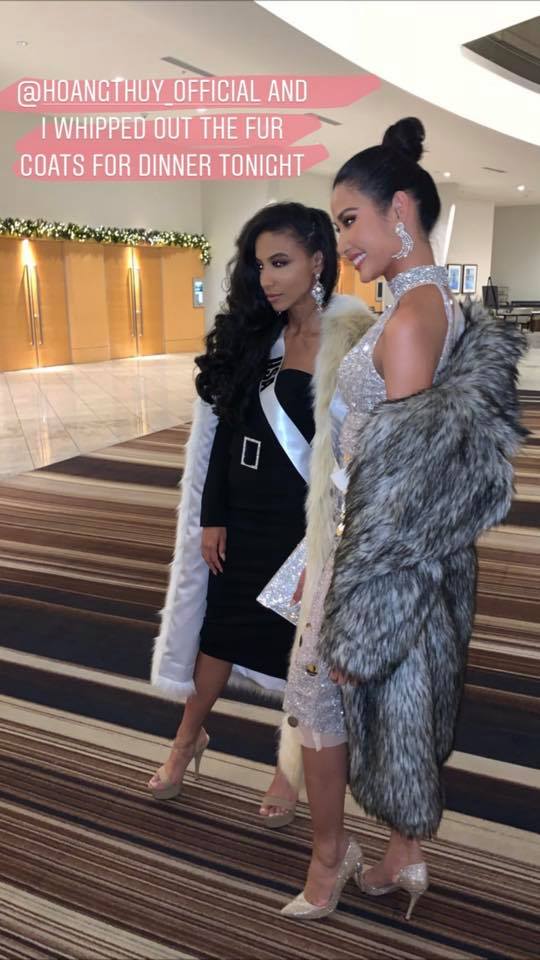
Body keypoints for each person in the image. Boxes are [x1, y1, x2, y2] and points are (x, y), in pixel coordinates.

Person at [274, 118, 528, 920]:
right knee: (399, 705)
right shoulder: (433, 304)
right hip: (392, 548)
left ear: (402, 212)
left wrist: (358, 603)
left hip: (378, 558)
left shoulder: (413, 316)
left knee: (318, 696)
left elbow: (404, 486)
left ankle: (328, 858)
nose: (342, 239)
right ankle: (402, 854)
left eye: (350, 219)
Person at [149, 201, 373, 824]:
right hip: (243, 516)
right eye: (259, 265)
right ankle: (187, 738)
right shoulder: (256, 335)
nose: (267, 278)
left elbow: (365, 451)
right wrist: (213, 515)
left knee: (295, 649)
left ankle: (287, 769)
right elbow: (224, 432)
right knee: (217, 634)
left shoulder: (356, 341)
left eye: (281, 263)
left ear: (318, 261)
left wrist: (339, 542)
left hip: (304, 526)